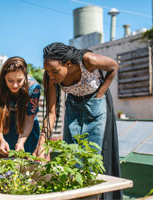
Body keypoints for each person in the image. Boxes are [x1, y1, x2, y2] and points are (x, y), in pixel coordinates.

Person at [34, 42, 121, 200]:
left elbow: (114, 66)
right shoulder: (50, 77)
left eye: (55, 71)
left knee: (97, 156)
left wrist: (100, 94)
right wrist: (42, 143)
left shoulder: (88, 60)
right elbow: (51, 113)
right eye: (47, 72)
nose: (51, 76)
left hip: (97, 105)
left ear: (68, 64)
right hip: (73, 106)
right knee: (73, 155)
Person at [0, 57, 41, 158]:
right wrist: (1, 140)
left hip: (25, 123)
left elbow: (29, 118)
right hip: (2, 122)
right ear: (4, 78)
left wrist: (21, 142)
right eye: (10, 80)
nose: (15, 85)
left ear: (25, 76)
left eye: (19, 80)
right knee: (4, 158)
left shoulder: (34, 88)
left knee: (25, 160)